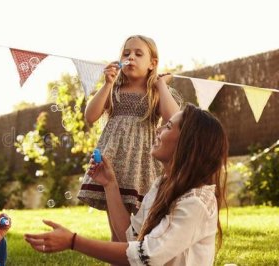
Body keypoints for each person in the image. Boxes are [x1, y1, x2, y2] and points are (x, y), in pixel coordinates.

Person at [25, 104, 228, 265]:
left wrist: (73, 241)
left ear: (188, 143)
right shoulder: (161, 186)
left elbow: (146, 256)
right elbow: (130, 239)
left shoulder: (197, 201)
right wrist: (110, 185)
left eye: (167, 126)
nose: (157, 130)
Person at [77, 35, 181, 242]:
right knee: (117, 229)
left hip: (144, 165)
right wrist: (107, 83)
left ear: (152, 63)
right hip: (114, 163)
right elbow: (90, 116)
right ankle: (119, 257)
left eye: (138, 54)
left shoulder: (156, 92)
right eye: (126, 53)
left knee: (146, 226)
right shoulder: (114, 88)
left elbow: (175, 119)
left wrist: (161, 84)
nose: (131, 57)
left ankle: (140, 257)